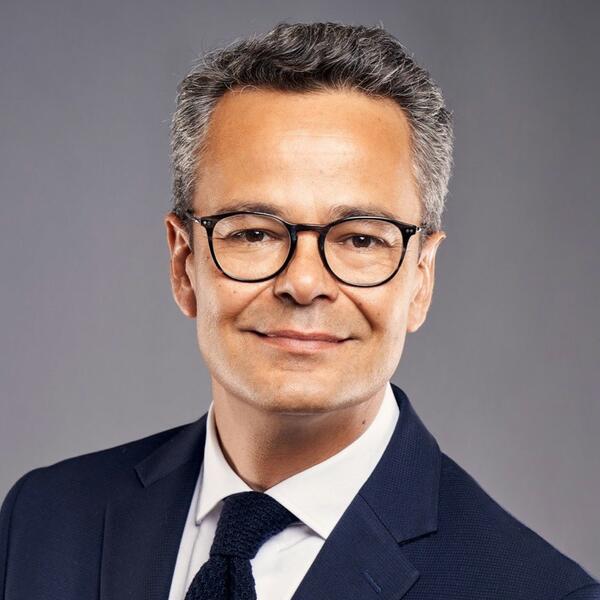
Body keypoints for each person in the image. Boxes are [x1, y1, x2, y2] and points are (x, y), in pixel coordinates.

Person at [1, 21, 598, 600]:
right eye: (253, 233)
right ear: (184, 264)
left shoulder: (537, 591)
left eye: (360, 238)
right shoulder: (42, 521)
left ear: (421, 278)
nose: (305, 283)